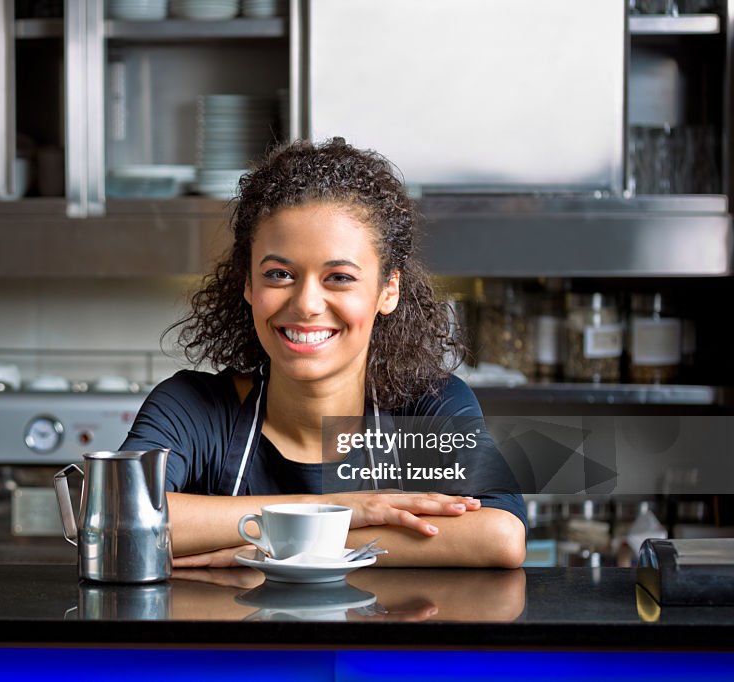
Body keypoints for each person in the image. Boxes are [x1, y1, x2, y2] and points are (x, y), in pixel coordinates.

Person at [121, 138, 527, 569]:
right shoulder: (193, 409)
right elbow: (123, 517)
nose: (306, 303)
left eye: (339, 277)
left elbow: (499, 535)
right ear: (248, 284)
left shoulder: (428, 406)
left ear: (388, 289)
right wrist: (346, 509)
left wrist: (267, 548)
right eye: (279, 274)